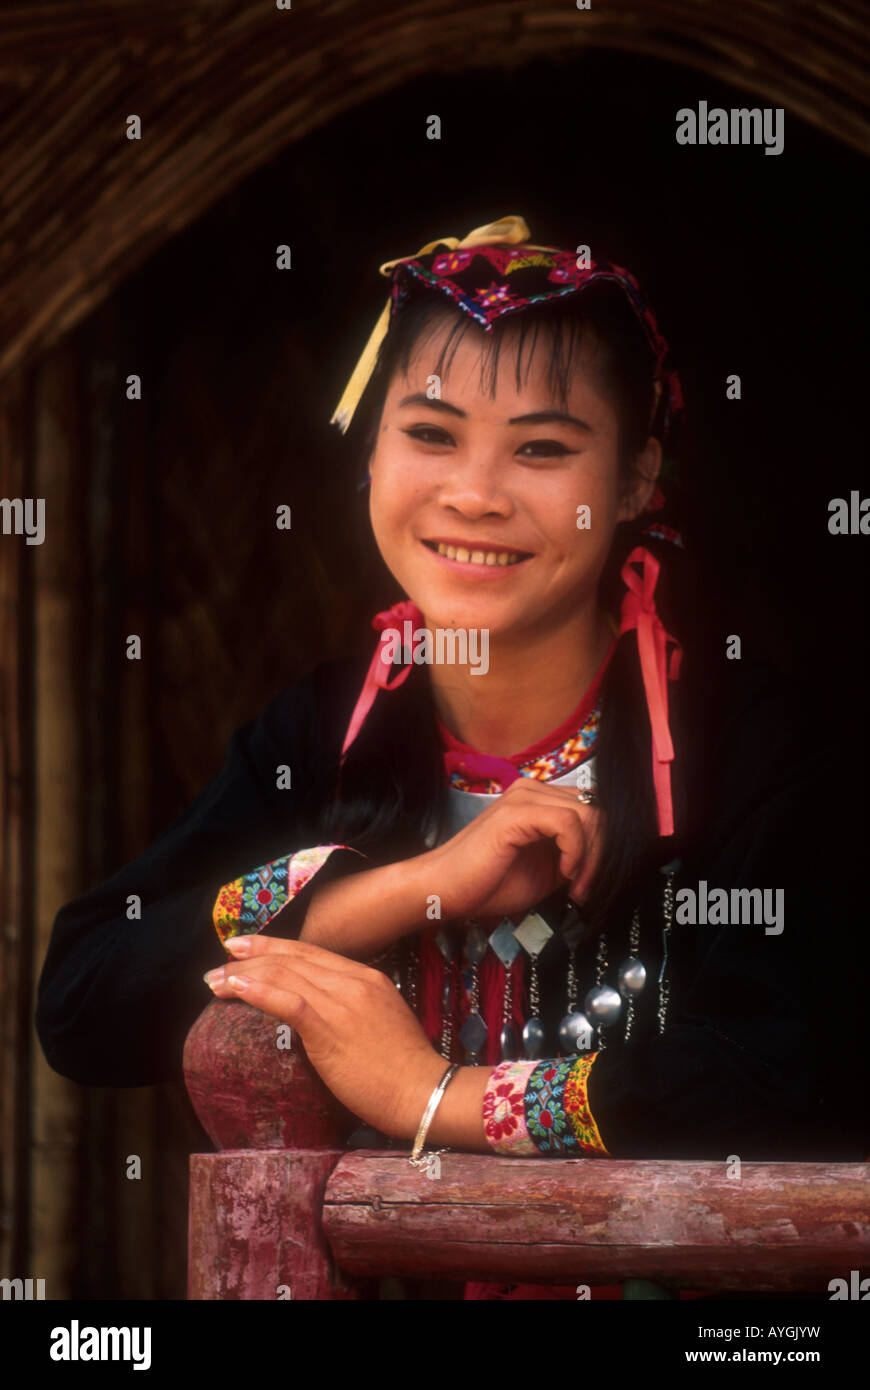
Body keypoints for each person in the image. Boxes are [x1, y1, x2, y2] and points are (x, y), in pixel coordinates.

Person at [36, 215, 869, 1301]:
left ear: (633, 479)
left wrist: (433, 1093)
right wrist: (410, 890)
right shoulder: (320, 737)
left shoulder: (750, 748)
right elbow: (85, 999)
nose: (475, 494)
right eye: (430, 433)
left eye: (542, 447)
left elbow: (799, 1068)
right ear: (371, 452)